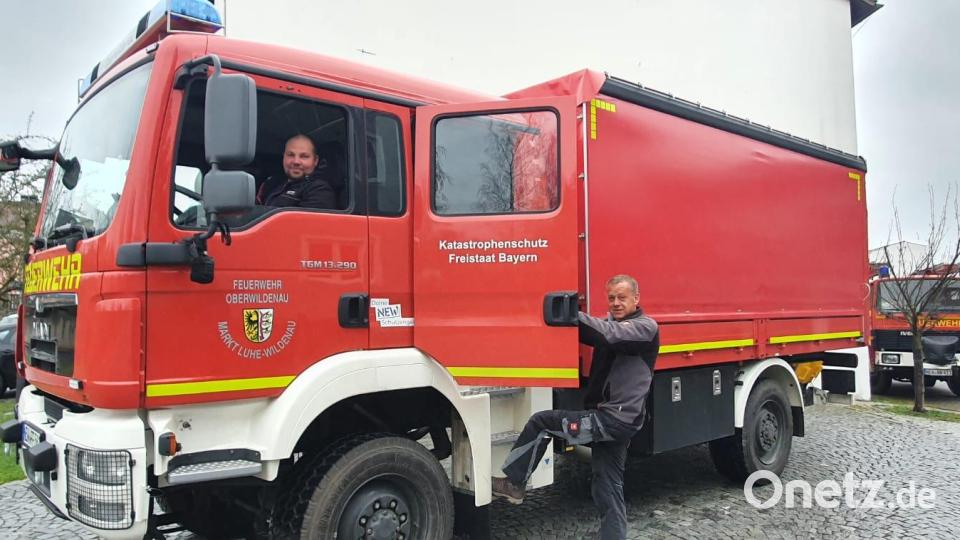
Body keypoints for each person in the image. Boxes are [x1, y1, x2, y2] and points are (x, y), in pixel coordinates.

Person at [492, 274, 659, 539]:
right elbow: (599, 332)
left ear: (636, 298)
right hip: (615, 420)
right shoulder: (614, 324)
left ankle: (514, 483)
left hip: (612, 420)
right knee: (607, 485)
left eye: (622, 297)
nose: (616, 303)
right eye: (611, 298)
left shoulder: (645, 328)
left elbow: (609, 335)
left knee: (541, 423)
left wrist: (569, 312)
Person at [256, 134, 337, 209]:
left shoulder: (320, 190)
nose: (296, 161)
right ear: (284, 157)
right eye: (290, 155)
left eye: (304, 156)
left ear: (315, 160)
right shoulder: (271, 184)